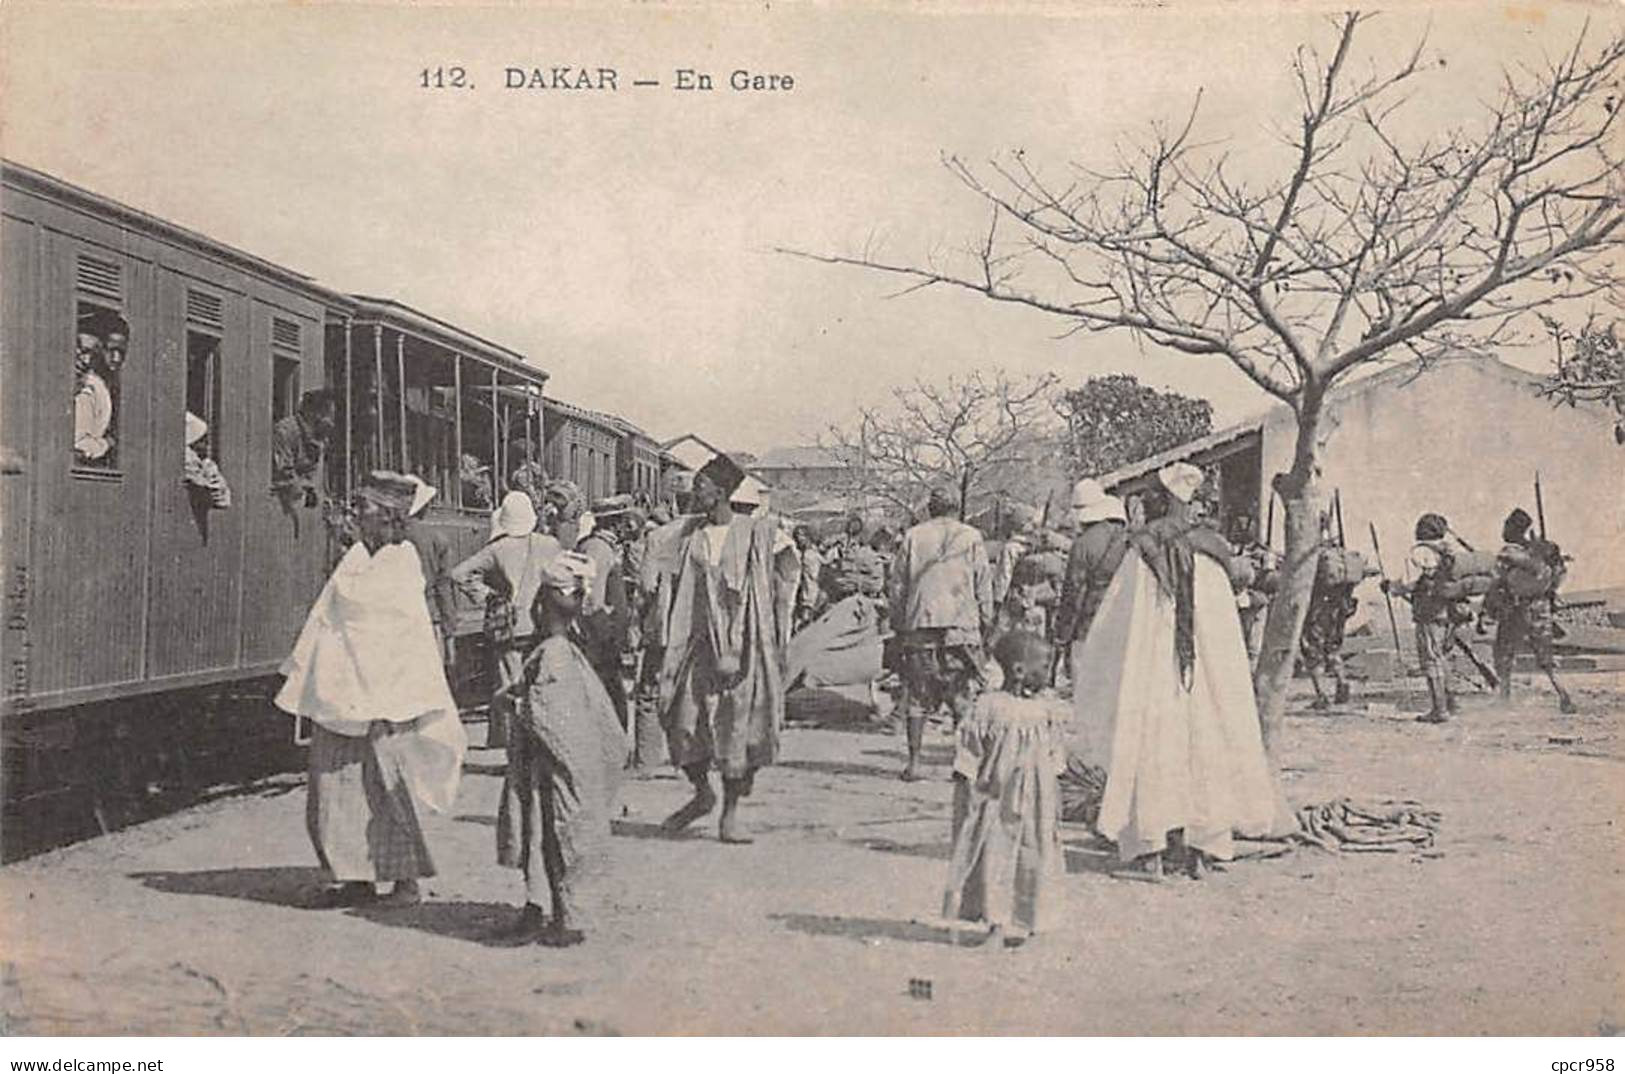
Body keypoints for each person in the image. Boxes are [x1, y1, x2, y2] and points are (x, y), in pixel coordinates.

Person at [1073, 462, 1297, 880]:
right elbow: (1224, 631)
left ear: (1163, 501)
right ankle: (1201, 852)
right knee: (1206, 745)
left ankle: (1151, 852)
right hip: (1205, 678)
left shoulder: (1144, 550)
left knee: (1153, 745)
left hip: (1154, 672)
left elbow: (1117, 624)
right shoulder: (1213, 551)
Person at [274, 471, 467, 909]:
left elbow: (386, 631)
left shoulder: (400, 563)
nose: (355, 515)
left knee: (387, 792)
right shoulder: (358, 557)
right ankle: (354, 877)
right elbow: (333, 614)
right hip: (342, 697)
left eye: (363, 508)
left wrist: (384, 700)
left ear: (387, 516)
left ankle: (405, 882)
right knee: (334, 789)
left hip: (384, 701)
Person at [657, 453, 797, 843]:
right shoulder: (691, 536)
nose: (694, 491)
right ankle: (702, 794)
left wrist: (771, 609)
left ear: (719, 492)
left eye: (701, 485)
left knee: (742, 729)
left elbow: (789, 565)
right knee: (683, 721)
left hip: (747, 645)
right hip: (699, 645)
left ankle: (730, 815)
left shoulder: (756, 531)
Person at [495, 551, 628, 947]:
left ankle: (564, 920)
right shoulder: (564, 649)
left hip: (550, 771)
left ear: (541, 604)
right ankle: (538, 910)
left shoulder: (553, 653)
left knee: (551, 838)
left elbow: (549, 717)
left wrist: (513, 703)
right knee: (542, 838)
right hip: (553, 768)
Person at [943, 631, 1065, 949]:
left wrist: (1056, 797)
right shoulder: (990, 706)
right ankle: (995, 926)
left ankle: (1026, 923)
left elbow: (1055, 755)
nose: (1049, 672)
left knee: (1033, 858)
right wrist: (967, 786)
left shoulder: (1046, 709)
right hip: (996, 802)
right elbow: (969, 751)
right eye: (1043, 664)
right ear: (1019, 670)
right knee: (996, 858)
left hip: (1037, 803)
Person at [890, 486, 994, 782]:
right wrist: (986, 620)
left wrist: (898, 622)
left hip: (920, 626)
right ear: (955, 509)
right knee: (960, 695)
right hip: (960, 627)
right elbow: (983, 581)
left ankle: (914, 763)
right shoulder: (970, 536)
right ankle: (964, 764)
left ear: (930, 509)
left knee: (917, 696)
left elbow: (898, 584)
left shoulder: (913, 536)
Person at [450, 491, 564, 749]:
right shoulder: (551, 544)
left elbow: (459, 574)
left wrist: (489, 595)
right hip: (544, 624)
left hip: (511, 627)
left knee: (510, 686)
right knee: (541, 686)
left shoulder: (497, 549)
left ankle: (513, 743)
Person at [1382, 513, 1472, 724]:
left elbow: (1408, 582)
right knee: (1442, 657)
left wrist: (1391, 587)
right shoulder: (1449, 550)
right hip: (1451, 613)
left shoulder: (1421, 552)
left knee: (1431, 660)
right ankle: (1451, 703)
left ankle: (1439, 710)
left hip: (1429, 614)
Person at [1487, 507, 1577, 713]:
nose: (1504, 529)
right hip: (1540, 606)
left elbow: (1495, 583)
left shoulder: (1508, 553)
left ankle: (1505, 698)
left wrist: (1489, 609)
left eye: (1507, 525)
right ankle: (1563, 694)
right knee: (1545, 653)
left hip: (1515, 608)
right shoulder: (1542, 553)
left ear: (1514, 529)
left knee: (1504, 651)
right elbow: (1557, 577)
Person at [1054, 479, 1130, 705]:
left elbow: (1073, 591)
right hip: (1126, 617)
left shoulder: (1083, 544)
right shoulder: (1131, 539)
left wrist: (1063, 631)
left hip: (1090, 618)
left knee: (1087, 685)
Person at [578, 494, 636, 730]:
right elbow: (591, 598)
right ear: (614, 523)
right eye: (624, 520)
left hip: (603, 635)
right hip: (599, 636)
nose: (628, 526)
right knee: (609, 694)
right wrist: (605, 636)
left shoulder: (600, 546)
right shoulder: (599, 550)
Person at [1300, 519, 1363, 710]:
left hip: (1318, 610)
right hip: (1340, 608)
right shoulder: (1341, 554)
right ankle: (1341, 681)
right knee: (1333, 649)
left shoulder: (1312, 553)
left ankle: (1322, 696)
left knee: (1312, 651)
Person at [403, 475, 458, 669]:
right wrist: (449, 634)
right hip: (427, 617)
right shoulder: (436, 539)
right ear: (423, 507)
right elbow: (444, 588)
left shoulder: (384, 536)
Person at [73, 309, 128, 466]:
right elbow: (80, 445)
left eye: (121, 352)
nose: (116, 358)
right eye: (111, 350)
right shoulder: (89, 387)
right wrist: (108, 443)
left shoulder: (106, 386)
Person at [272, 389, 336, 510]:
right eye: (329, 417)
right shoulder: (286, 432)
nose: (332, 423)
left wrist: (324, 496)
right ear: (314, 414)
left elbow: (316, 476)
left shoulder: (319, 437)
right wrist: (305, 493)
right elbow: (284, 473)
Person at [182, 412, 232, 509]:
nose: (207, 444)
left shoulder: (206, 463)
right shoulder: (189, 461)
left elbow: (223, 499)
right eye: (203, 440)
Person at [793, 525, 824, 631]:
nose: (799, 538)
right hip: (803, 593)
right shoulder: (803, 552)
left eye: (801, 535)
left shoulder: (810, 554)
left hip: (810, 594)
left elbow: (814, 576)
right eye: (797, 535)